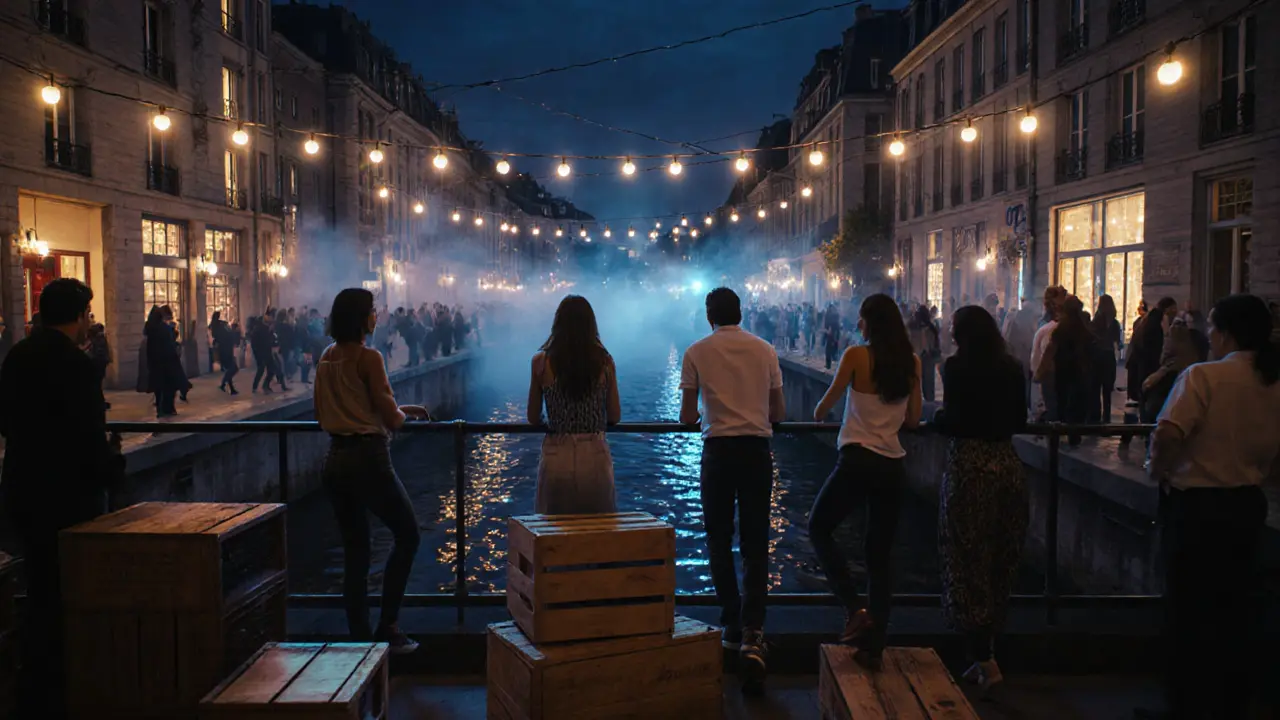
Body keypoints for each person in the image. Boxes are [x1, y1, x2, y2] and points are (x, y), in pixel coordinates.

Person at [1138, 294, 1280, 720]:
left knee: (1187, 610)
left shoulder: (1203, 377)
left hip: (1196, 509)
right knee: (1234, 609)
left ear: (1227, 334)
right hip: (1245, 505)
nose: (1211, 338)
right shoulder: (1272, 382)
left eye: (1214, 330)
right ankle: (1230, 702)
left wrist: (1155, 470)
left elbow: (1168, 433)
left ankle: (1184, 705)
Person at [0, 279, 124, 718]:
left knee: (38, 586)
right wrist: (112, 468)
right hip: (68, 495)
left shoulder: (16, 356)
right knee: (72, 591)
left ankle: (33, 685)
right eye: (88, 314)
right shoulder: (75, 364)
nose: (89, 322)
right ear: (77, 317)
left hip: (22, 487)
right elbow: (88, 435)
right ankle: (67, 685)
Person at [808, 294, 922, 671]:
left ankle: (853, 608)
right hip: (892, 465)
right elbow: (913, 420)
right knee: (879, 556)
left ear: (870, 323)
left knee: (819, 527)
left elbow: (823, 406)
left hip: (857, 460)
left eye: (861, 319)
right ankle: (875, 645)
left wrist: (827, 413)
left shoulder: (856, 356)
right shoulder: (912, 363)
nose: (857, 325)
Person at [679, 287, 784, 692]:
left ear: (710, 316)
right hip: (757, 452)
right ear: (741, 313)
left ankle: (730, 624)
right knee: (757, 542)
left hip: (718, 452)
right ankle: (754, 633)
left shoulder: (695, 352)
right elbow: (779, 413)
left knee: (719, 540)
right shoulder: (766, 350)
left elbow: (688, 417)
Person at [314, 288, 429, 654]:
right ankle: (390, 627)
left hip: (335, 460)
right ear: (362, 318)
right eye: (373, 311)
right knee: (408, 535)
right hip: (369, 459)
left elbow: (333, 412)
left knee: (355, 551)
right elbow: (390, 419)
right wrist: (403, 416)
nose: (377, 317)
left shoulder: (326, 358)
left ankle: (359, 640)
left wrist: (403, 408)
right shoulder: (370, 357)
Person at [933, 306, 1027, 692]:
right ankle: (988, 653)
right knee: (1000, 558)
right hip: (1007, 466)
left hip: (970, 468)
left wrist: (937, 420)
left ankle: (982, 657)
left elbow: (955, 419)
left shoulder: (955, 369)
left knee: (965, 556)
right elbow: (1019, 419)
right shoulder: (1012, 367)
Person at [526, 296, 621, 513]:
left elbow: (532, 416)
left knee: (553, 534)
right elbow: (614, 415)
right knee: (597, 531)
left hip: (556, 454)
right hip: (595, 454)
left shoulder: (541, 362)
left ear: (557, 323)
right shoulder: (605, 363)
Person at [1035, 296, 1094, 445]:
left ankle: (1058, 437)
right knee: (1077, 406)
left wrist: (1039, 372)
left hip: (1063, 374)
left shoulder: (1061, 329)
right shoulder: (1084, 329)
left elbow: (1050, 351)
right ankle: (1075, 436)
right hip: (1081, 374)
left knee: (1062, 404)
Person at [1029, 286, 1067, 420]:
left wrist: (1038, 372)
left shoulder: (1049, 327)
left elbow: (1045, 353)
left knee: (1051, 407)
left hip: (1051, 374)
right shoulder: (1049, 325)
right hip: (1058, 374)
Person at [1089, 295, 1123, 423]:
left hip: (1097, 357)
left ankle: (1096, 416)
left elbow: (1092, 338)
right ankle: (1107, 416)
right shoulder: (1115, 323)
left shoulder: (1096, 321)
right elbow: (1118, 343)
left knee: (1096, 388)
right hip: (1109, 357)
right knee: (1107, 390)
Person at [145, 305, 183, 417]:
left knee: (159, 386)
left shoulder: (150, 328)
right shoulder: (163, 328)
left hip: (154, 362)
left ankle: (160, 408)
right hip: (166, 361)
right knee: (169, 386)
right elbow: (169, 344)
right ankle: (168, 408)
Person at [909, 306, 940, 402]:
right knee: (915, 383)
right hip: (916, 356)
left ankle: (928, 403)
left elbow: (935, 344)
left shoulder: (930, 328)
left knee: (928, 384)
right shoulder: (912, 327)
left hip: (926, 357)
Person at [210, 311, 239, 394]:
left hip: (225, 349)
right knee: (233, 368)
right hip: (225, 350)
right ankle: (225, 385)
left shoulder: (218, 325)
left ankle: (228, 387)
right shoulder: (219, 326)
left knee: (230, 369)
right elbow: (225, 335)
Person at [822, 303, 841, 370]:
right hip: (835, 334)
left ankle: (828, 365)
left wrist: (827, 331)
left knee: (828, 350)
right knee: (834, 350)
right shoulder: (836, 315)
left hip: (831, 334)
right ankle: (835, 364)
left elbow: (828, 327)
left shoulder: (829, 315)